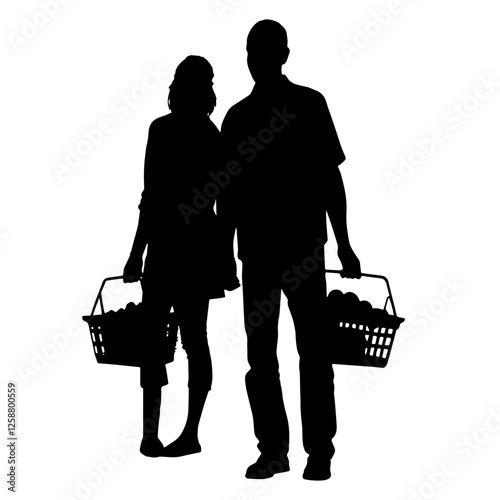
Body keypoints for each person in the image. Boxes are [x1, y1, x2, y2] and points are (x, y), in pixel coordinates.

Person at [218, 20, 361, 480]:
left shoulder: (306, 105)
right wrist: (224, 251)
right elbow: (228, 194)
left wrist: (344, 243)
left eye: (261, 51)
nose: (255, 60)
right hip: (264, 251)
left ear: (282, 55)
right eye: (250, 52)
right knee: (267, 355)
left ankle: (316, 451)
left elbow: (329, 179)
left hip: (298, 249)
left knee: (308, 352)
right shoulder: (239, 118)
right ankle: (276, 451)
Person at [123, 55, 239, 459]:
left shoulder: (164, 130)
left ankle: (152, 434)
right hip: (198, 249)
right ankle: (188, 432)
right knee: (194, 340)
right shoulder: (213, 136)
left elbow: (151, 198)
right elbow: (226, 206)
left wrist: (136, 253)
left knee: (154, 338)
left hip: (167, 247)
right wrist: (225, 258)